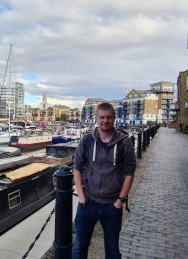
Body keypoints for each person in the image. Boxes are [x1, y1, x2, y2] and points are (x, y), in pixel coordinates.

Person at [72, 102, 136, 259]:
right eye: (102, 117)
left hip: (112, 206)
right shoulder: (86, 141)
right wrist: (81, 198)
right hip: (88, 203)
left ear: (114, 118)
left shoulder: (124, 142)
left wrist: (120, 201)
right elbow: (77, 169)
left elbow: (129, 173)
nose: (105, 121)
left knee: (113, 251)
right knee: (79, 248)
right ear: (96, 119)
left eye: (108, 117)